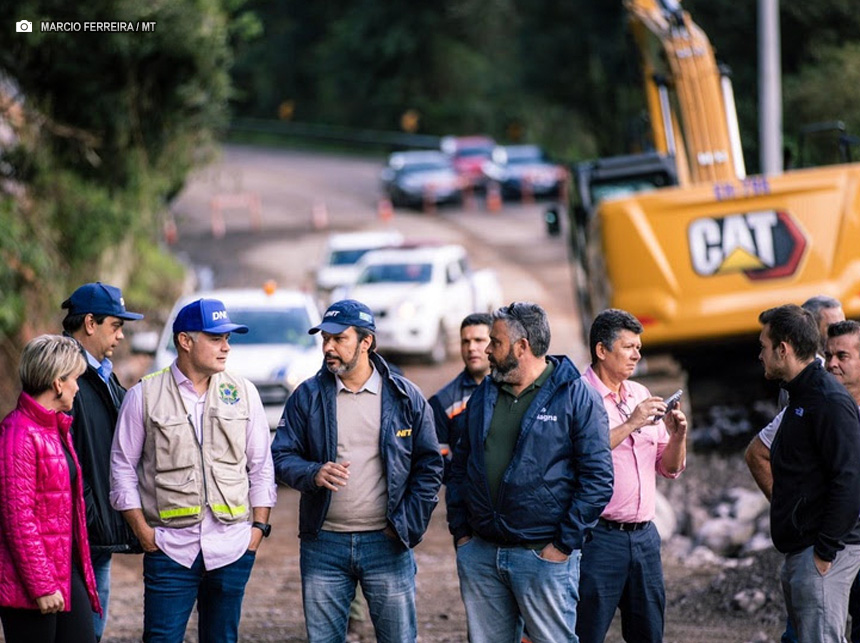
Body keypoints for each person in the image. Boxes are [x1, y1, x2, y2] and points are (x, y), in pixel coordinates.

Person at [271, 298, 443, 642]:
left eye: (339, 339)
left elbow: (429, 467)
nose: (328, 347)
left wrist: (406, 524)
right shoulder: (307, 396)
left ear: (366, 342)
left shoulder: (404, 396)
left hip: (387, 543)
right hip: (323, 544)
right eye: (325, 339)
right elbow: (281, 456)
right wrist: (313, 472)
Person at [110, 298, 276, 643]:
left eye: (227, 338)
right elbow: (122, 469)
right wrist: (143, 533)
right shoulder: (143, 395)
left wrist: (257, 530)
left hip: (232, 549)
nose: (226, 347)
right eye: (216, 338)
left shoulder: (244, 392)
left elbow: (261, 466)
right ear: (185, 341)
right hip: (170, 550)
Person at [447, 302, 614, 643]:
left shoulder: (577, 396)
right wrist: (462, 533)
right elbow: (460, 466)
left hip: (543, 557)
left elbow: (597, 480)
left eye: (495, 342)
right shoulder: (484, 394)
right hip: (482, 554)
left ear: (521, 347)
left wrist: (562, 546)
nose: (487, 350)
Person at [576, 309, 687, 642]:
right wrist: (631, 423)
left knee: (649, 634)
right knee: (586, 633)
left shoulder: (639, 393)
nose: (637, 355)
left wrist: (678, 436)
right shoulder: (578, 395)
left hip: (644, 538)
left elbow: (668, 468)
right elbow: (580, 453)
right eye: (628, 347)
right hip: (597, 538)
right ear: (601, 350)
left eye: (638, 347)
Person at [758, 304, 860, 641]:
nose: (760, 355)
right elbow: (760, 455)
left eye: (763, 346)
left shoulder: (828, 400)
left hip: (822, 556)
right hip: (802, 551)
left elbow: (849, 479)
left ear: (782, 349)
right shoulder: (801, 395)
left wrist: (824, 552)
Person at [0, 335, 101, 642]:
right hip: (29, 581)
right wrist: (41, 586)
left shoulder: (54, 427)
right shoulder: (18, 434)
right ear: (58, 383)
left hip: (64, 569)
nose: (77, 387)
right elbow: (18, 519)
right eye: (74, 379)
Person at [60, 282, 144, 641]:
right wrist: (93, 515)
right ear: (90, 323)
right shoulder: (64, 374)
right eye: (116, 325)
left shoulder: (102, 375)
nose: (121, 335)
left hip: (94, 531)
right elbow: (62, 457)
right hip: (77, 533)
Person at [746, 295, 844, 500]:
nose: (841, 333)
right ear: (811, 329)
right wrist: (787, 509)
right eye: (833, 327)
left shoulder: (824, 378)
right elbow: (759, 453)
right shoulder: (812, 384)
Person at [825, 321, 860, 643]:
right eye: (828, 355)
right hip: (834, 547)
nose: (832, 363)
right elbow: (759, 453)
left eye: (842, 356)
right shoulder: (816, 407)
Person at [428, 312, 492, 480]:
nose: (471, 348)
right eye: (465, 341)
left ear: (493, 343)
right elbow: (435, 458)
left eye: (479, 340)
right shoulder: (443, 401)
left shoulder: (513, 388)